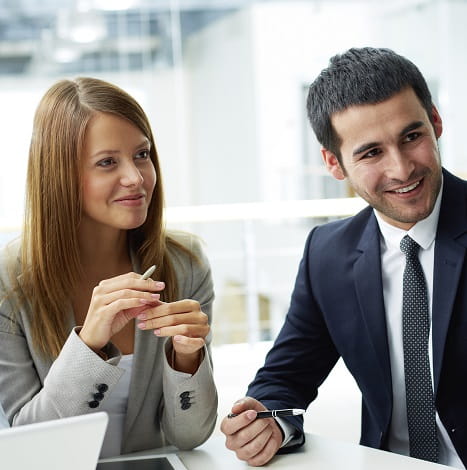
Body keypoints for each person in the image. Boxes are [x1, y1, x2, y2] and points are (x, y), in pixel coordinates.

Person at [220, 47, 467, 469]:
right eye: (371, 152)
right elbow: (285, 377)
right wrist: (267, 423)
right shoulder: (327, 253)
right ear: (334, 163)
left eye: (412, 137)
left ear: (436, 122)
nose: (402, 168)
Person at [0, 77, 217, 457]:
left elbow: (190, 436)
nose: (136, 178)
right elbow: (29, 446)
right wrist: (88, 345)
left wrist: (187, 357)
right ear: (60, 175)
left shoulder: (186, 264)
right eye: (107, 162)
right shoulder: (9, 281)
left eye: (142, 154)